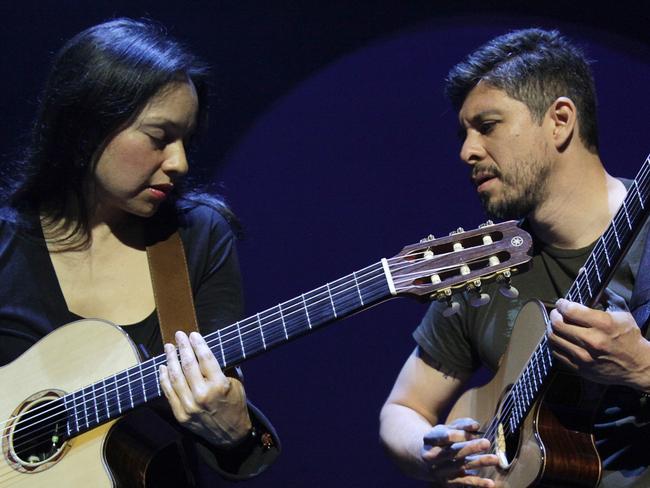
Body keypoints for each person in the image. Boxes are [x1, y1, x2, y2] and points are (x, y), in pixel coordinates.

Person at [0, 18, 279, 486]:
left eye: (187, 140)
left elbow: (242, 444)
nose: (180, 162)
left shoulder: (197, 236)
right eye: (159, 137)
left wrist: (237, 432)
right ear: (86, 125)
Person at [379, 28, 650, 487]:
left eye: (487, 126)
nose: (467, 151)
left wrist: (642, 367)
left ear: (560, 120)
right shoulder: (483, 266)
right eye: (464, 133)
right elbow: (403, 409)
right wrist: (431, 454)